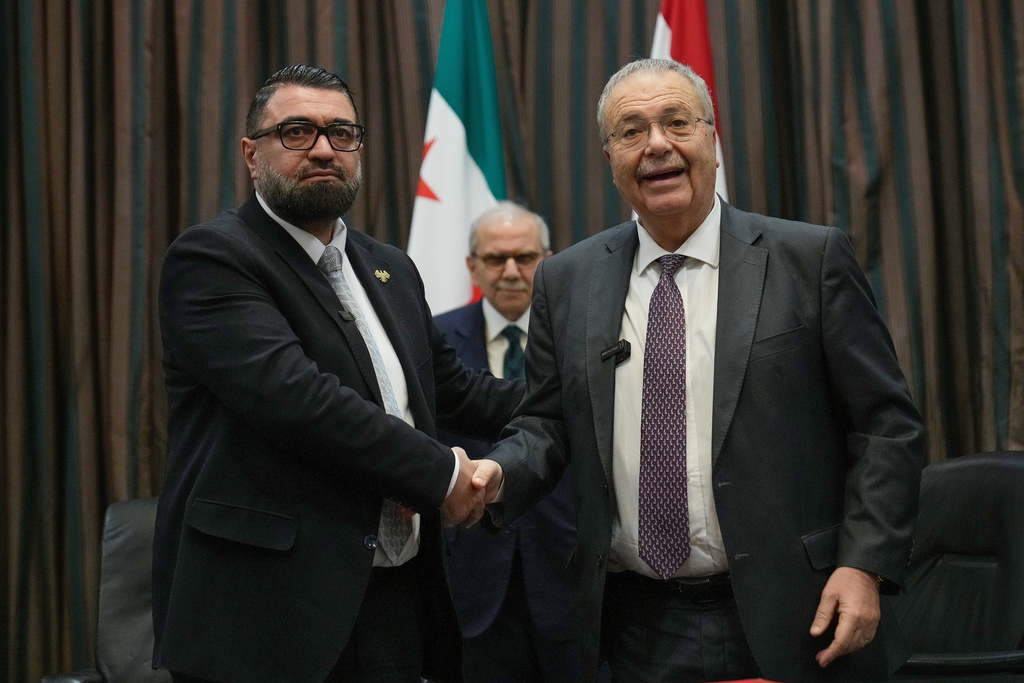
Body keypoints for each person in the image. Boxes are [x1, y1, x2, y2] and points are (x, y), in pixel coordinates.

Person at [463, 58, 925, 682]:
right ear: (609, 157)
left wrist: (864, 563)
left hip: (798, 611)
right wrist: (498, 473)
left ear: (712, 138)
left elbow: (886, 426)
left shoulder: (808, 259)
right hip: (632, 626)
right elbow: (546, 422)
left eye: (676, 122)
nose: (656, 144)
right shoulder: (566, 280)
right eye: (631, 130)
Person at [152, 64, 523, 683]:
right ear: (251, 153)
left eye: (342, 134)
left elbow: (455, 390)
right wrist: (442, 474)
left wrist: (584, 395)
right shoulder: (213, 258)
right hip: (264, 612)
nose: (324, 149)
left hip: (392, 598)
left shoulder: (388, 267)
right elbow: (302, 402)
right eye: (296, 132)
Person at [434, 202, 581, 682]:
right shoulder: (430, 338)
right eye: (496, 259)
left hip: (569, 574)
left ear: (550, 260)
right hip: (469, 578)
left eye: (526, 257)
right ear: (471, 265)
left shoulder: (584, 340)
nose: (512, 272)